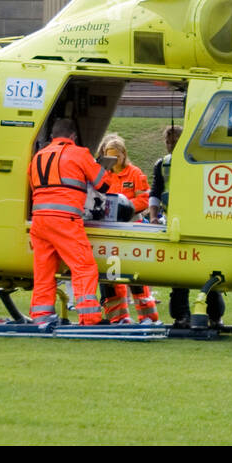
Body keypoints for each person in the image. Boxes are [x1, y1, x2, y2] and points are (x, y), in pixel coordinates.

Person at [27, 118, 111, 325]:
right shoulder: (79, 153)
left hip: (39, 221)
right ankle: (89, 317)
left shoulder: (38, 156)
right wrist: (101, 166)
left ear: (53, 136)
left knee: (44, 270)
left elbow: (33, 187)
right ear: (73, 136)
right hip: (65, 220)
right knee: (84, 266)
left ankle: (41, 316)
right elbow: (103, 184)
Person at [95, 133, 159, 324]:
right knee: (110, 275)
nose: (114, 159)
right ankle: (118, 317)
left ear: (124, 154)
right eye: (110, 155)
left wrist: (124, 206)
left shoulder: (135, 173)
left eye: (117, 155)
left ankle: (148, 316)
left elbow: (143, 199)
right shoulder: (103, 174)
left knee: (135, 275)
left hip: (131, 226)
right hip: (108, 229)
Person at [148, 125, 191, 325]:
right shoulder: (162, 165)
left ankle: (214, 314)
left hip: (193, 222)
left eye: (174, 141)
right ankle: (181, 315)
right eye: (168, 141)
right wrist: (154, 217)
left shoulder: (195, 163)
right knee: (178, 271)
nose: (170, 145)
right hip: (171, 222)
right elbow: (155, 193)